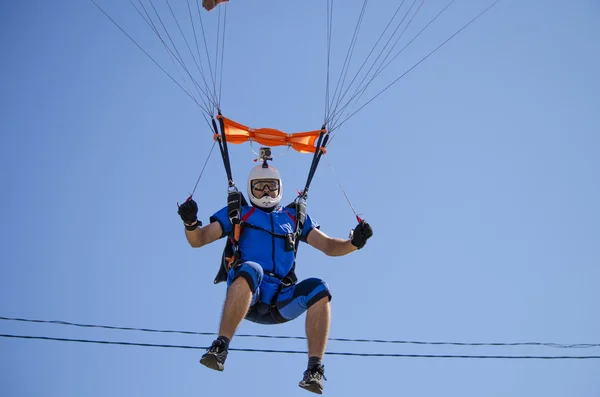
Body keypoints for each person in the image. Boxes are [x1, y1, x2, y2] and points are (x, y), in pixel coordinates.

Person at [177, 160, 373, 394]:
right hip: (250, 292)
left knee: (320, 288)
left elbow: (329, 246)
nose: (266, 192)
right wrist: (190, 223)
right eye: (260, 187)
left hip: (281, 300)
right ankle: (220, 347)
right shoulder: (238, 213)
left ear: (280, 188)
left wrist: (354, 243)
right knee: (252, 268)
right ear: (251, 189)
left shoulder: (294, 218)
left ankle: (314, 370)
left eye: (271, 186)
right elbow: (198, 240)